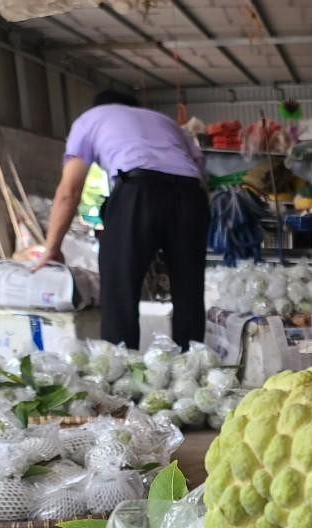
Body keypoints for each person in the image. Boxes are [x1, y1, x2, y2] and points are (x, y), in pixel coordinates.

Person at [33, 90, 209, 348]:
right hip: (191, 194)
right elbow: (201, 176)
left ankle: (121, 369)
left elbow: (69, 191)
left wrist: (52, 248)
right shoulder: (166, 123)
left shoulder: (91, 118)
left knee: (120, 289)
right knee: (189, 290)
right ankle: (193, 365)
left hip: (138, 190)